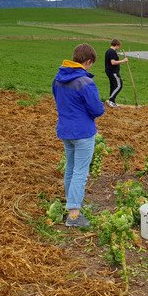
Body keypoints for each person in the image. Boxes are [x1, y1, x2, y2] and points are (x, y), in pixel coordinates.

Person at [52, 43, 106, 227]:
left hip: (65, 130)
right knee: (80, 172)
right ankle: (74, 215)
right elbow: (97, 109)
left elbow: (58, 100)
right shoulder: (85, 82)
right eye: (91, 64)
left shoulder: (58, 78)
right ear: (88, 61)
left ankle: (72, 205)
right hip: (83, 132)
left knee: (71, 168)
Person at [104, 39, 128, 108]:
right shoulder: (112, 52)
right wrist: (123, 61)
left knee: (113, 86)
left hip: (109, 71)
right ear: (116, 45)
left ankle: (112, 102)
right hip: (113, 72)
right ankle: (111, 100)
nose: (118, 48)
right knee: (119, 85)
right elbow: (113, 62)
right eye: (119, 46)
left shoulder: (108, 51)